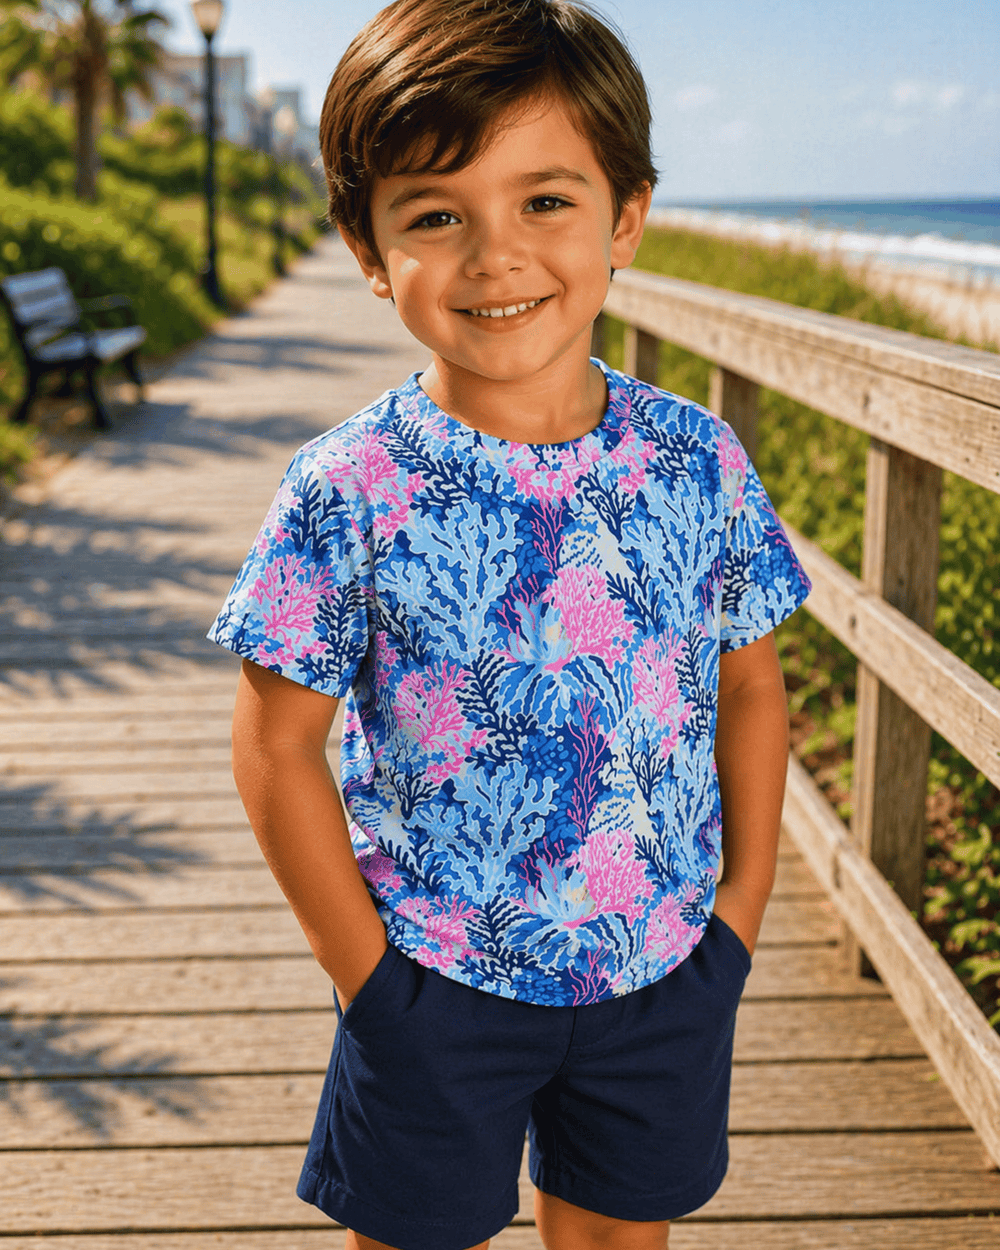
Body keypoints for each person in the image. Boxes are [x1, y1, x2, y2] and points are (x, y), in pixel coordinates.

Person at [209, 2, 812, 1247]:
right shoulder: (350, 483)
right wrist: (372, 980)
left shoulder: (696, 458)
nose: (495, 255)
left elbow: (749, 684)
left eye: (545, 201)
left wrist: (737, 916)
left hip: (661, 963)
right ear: (367, 249)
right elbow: (275, 747)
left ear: (625, 215)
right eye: (436, 214)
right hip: (434, 974)